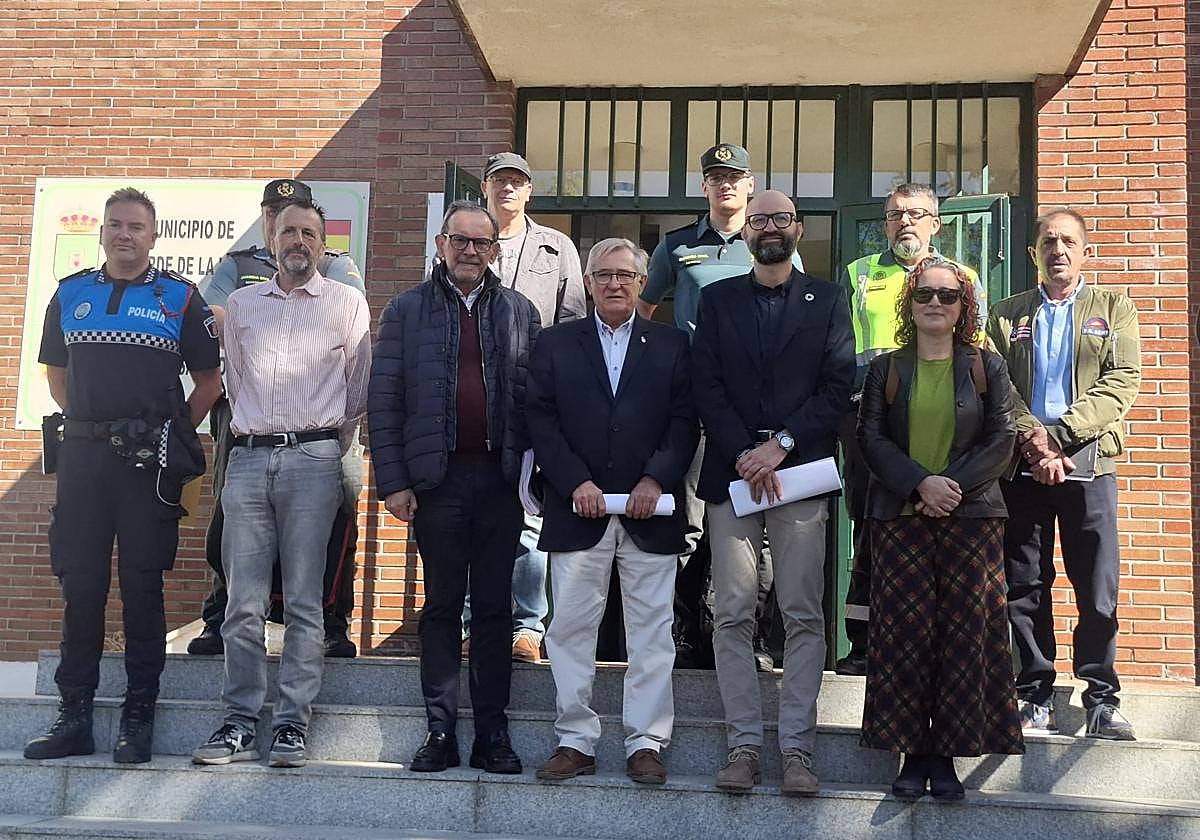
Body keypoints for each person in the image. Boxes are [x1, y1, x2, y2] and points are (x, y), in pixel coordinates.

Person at [25, 187, 222, 764]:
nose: (124, 234)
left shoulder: (180, 299)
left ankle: (139, 716)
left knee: (143, 588)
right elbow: (57, 376)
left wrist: (168, 433)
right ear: (103, 231)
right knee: (81, 588)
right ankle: (74, 716)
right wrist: (95, 424)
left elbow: (208, 381)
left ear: (153, 235)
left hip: (147, 467)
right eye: (115, 224)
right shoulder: (70, 293)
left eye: (136, 226)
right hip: (82, 463)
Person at [191, 198, 371, 768]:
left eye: (309, 234)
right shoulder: (242, 305)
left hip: (314, 460)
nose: (298, 241)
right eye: (288, 231)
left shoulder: (347, 303)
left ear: (324, 244)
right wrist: (262, 435)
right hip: (247, 460)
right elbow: (234, 380)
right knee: (242, 604)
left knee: (304, 601)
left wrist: (317, 443)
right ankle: (239, 721)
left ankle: (292, 723)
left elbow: (357, 392)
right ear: (274, 240)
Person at [368, 200, 540, 774]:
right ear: (441, 245)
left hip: (498, 480)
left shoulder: (520, 312)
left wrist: (531, 479)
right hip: (435, 482)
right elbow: (384, 402)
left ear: (496, 250)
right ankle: (439, 731)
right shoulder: (406, 310)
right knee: (441, 606)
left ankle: (493, 733)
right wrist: (393, 482)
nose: (470, 251)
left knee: (495, 607)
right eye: (459, 240)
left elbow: (533, 404)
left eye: (481, 242)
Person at [692, 190, 854, 796]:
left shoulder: (830, 299)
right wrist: (743, 451)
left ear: (798, 229)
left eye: (780, 219)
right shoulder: (716, 300)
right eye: (758, 219)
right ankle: (742, 746)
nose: (769, 228)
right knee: (732, 610)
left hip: (800, 471)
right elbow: (704, 384)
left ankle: (797, 751)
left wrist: (779, 444)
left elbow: (839, 386)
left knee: (802, 613)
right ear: (747, 233)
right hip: (732, 475)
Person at [526, 238, 698, 786]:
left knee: (652, 632)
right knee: (571, 628)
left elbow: (684, 422)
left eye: (626, 275)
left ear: (642, 281)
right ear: (588, 283)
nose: (616, 284)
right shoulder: (554, 345)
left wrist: (655, 477)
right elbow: (541, 421)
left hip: (653, 510)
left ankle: (646, 742)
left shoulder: (672, 346)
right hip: (579, 508)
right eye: (604, 275)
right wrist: (575, 480)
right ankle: (575, 740)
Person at [857, 256, 1023, 802]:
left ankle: (947, 757)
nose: (935, 303)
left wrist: (948, 486)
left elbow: (1002, 439)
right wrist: (918, 486)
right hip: (901, 520)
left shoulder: (986, 366)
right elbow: (871, 440)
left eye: (947, 296)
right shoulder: (887, 368)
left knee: (963, 637)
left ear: (963, 307)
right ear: (909, 302)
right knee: (904, 638)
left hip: (970, 520)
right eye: (925, 294)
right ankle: (910, 754)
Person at [638, 143, 798, 672]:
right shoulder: (678, 246)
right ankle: (680, 633)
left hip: (756, 411)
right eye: (715, 177)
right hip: (692, 406)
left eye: (734, 177)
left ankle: (746, 635)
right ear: (704, 186)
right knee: (687, 527)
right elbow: (643, 314)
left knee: (759, 526)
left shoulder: (773, 244)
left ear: (750, 185)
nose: (725, 185)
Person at [987, 209, 1142, 741]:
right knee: (1025, 585)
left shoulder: (1114, 309)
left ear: (1085, 252)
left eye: (1069, 241)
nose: (1058, 249)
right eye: (1048, 241)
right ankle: (1033, 695)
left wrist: (1061, 435)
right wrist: (1034, 441)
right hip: (1023, 468)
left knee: (1097, 587)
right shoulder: (1005, 317)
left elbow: (1122, 382)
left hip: (1088, 464)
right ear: (1033, 254)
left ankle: (1101, 697)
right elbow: (998, 386)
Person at [836, 182, 987, 677]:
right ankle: (862, 644)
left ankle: (932, 642)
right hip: (872, 425)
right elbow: (843, 353)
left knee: (937, 528)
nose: (905, 223)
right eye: (896, 215)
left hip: (941, 424)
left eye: (916, 214)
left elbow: (976, 351)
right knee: (870, 530)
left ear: (935, 223)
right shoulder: (859, 274)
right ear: (884, 223)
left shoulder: (963, 278)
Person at [470, 151, 586, 664]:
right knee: (476, 516)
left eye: (517, 182)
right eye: (499, 181)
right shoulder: (467, 241)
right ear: (486, 189)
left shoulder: (555, 247)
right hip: (475, 401)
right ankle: (476, 622)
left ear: (530, 191)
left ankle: (527, 627)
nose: (508, 190)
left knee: (530, 516)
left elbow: (574, 322)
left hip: (534, 399)